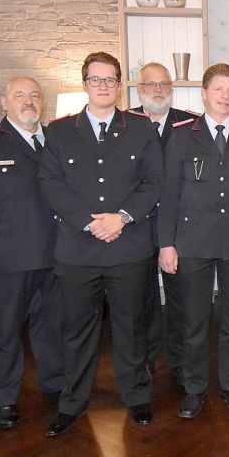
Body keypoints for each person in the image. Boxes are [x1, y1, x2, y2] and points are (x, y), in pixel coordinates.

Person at [38, 51, 163, 436]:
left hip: (128, 246)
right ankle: (72, 402)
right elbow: (50, 183)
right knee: (77, 329)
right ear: (85, 84)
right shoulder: (58, 131)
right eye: (96, 79)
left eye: (110, 80)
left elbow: (154, 182)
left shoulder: (142, 128)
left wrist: (122, 217)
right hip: (79, 249)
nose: (103, 86)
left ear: (120, 85)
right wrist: (88, 224)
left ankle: (137, 395)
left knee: (131, 326)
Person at [157, 63, 229, 419]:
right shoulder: (180, 134)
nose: (225, 97)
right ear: (203, 94)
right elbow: (169, 194)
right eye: (218, 90)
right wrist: (166, 243)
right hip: (192, 242)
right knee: (194, 322)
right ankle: (194, 389)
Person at [0, 77, 64, 430]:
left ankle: (56, 385)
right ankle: (3, 398)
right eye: (20, 95)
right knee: (3, 332)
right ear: (4, 102)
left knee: (52, 329)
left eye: (35, 95)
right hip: (7, 257)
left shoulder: (58, 141)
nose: (28, 101)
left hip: (56, 255)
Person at [131, 61, 195, 385]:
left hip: (179, 227)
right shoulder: (125, 122)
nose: (158, 90)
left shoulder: (191, 124)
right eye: (151, 84)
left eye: (164, 84)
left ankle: (180, 362)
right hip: (137, 226)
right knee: (142, 300)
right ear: (139, 89)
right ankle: (145, 363)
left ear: (172, 88)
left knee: (180, 299)